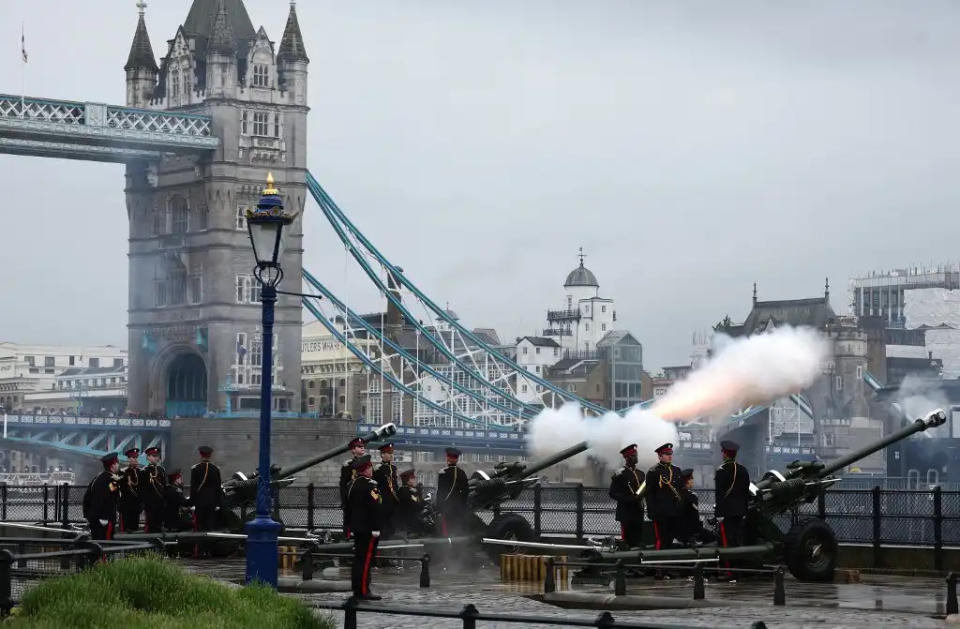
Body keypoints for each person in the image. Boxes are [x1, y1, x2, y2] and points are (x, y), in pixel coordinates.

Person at [346, 455, 382, 600]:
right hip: (368, 529)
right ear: (366, 469)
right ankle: (363, 590)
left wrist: (349, 527)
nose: (372, 469)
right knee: (366, 560)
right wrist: (376, 527)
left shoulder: (351, 485)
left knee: (358, 560)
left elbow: (348, 508)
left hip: (357, 528)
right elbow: (374, 508)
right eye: (370, 467)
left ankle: (357, 588)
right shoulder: (370, 485)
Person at [715, 439, 750, 581]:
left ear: (725, 454)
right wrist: (744, 511)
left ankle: (729, 572)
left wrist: (719, 514)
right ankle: (738, 571)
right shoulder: (743, 470)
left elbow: (720, 495)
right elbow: (745, 493)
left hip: (727, 513)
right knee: (737, 541)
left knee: (726, 543)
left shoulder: (721, 471)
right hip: (740, 512)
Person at [645, 443, 682, 552]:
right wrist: (651, 511)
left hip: (674, 511)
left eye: (671, 454)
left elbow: (680, 490)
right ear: (660, 456)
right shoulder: (653, 471)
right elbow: (649, 494)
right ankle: (659, 567)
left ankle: (669, 566)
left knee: (671, 539)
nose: (670, 456)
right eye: (666, 454)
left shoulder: (676, 470)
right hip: (660, 512)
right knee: (662, 540)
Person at [608, 444, 645, 548]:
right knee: (626, 542)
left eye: (636, 454)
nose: (636, 457)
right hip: (626, 512)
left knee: (638, 540)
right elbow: (612, 493)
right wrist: (629, 498)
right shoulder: (620, 474)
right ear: (627, 457)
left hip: (638, 511)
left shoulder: (641, 474)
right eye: (633, 455)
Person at [83, 453, 121, 540]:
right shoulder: (111, 480)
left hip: (94, 519)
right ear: (113, 465)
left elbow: (87, 498)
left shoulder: (97, 478)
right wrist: (104, 517)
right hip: (104, 520)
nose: (118, 465)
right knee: (105, 545)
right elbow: (105, 499)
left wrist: (87, 516)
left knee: (96, 543)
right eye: (117, 463)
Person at [435, 447, 469, 535]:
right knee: (457, 529)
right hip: (458, 508)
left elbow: (440, 492)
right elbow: (465, 491)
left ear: (447, 458)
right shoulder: (461, 473)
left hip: (446, 509)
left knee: (447, 531)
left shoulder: (443, 472)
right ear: (457, 459)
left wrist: (439, 508)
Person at [676, 469, 714, 546]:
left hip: (678, 532)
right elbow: (694, 517)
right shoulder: (691, 496)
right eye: (691, 478)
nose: (693, 480)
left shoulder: (677, 495)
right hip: (690, 533)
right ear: (688, 481)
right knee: (714, 538)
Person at [189, 445, 223, 532]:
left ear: (200, 455)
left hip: (199, 501)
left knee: (200, 525)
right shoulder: (215, 469)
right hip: (212, 501)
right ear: (210, 455)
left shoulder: (195, 469)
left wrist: (192, 503)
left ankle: (200, 544)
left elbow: (193, 488)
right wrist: (217, 503)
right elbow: (218, 488)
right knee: (210, 526)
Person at [373, 443, 400, 542]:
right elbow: (375, 486)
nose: (391, 455)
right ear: (382, 455)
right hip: (383, 502)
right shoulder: (378, 469)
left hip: (392, 503)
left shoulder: (393, 468)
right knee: (383, 529)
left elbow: (395, 486)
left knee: (392, 528)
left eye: (391, 453)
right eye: (388, 453)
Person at [340, 437, 366, 538]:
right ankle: (348, 539)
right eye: (359, 447)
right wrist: (344, 501)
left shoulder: (367, 464)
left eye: (363, 446)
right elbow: (343, 485)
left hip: (364, 499)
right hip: (352, 499)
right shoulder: (348, 465)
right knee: (350, 522)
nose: (362, 448)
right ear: (353, 450)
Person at [118, 448, 144, 532]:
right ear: (128, 459)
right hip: (126, 505)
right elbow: (117, 487)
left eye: (136, 457)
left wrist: (142, 503)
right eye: (133, 457)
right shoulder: (123, 472)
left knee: (135, 527)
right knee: (125, 529)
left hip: (136, 505)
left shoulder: (141, 472)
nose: (135, 459)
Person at [142, 446, 166, 533]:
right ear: (148, 457)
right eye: (153, 456)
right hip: (150, 504)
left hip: (160, 502)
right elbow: (143, 489)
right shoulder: (145, 471)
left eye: (157, 456)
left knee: (159, 525)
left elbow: (164, 486)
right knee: (151, 526)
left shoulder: (161, 470)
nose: (156, 458)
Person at [396, 468, 424, 535]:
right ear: (407, 480)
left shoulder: (411, 490)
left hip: (413, 519)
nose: (414, 480)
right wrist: (418, 494)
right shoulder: (404, 490)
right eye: (412, 478)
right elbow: (414, 505)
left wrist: (419, 492)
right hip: (408, 522)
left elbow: (418, 502)